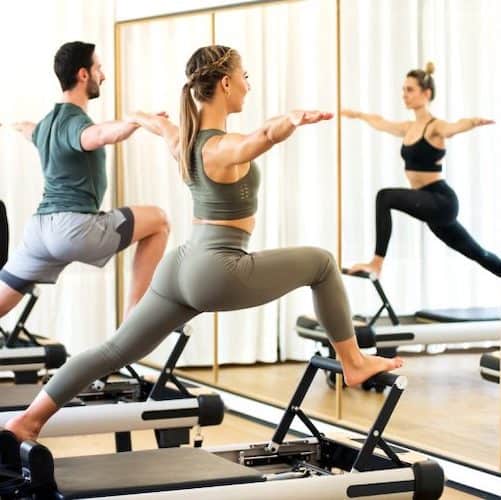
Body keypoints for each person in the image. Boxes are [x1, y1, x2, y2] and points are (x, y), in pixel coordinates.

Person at [5, 45, 402, 441]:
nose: (248, 84)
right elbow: (261, 136)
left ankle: (28, 421)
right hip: (217, 268)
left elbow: (157, 125)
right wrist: (290, 121)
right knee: (322, 263)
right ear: (226, 83)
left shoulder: (184, 140)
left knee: (114, 350)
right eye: (245, 76)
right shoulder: (220, 147)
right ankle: (352, 362)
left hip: (179, 266)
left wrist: (142, 118)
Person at [0, 41, 169, 322]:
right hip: (73, 230)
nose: (103, 75)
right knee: (159, 220)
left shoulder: (47, 123)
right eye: (98, 68)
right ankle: (133, 322)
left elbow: (29, 130)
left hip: (39, 232)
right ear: (83, 75)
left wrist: (15, 126)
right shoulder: (76, 124)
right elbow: (100, 135)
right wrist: (138, 121)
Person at [343, 62, 500, 278]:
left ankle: (376, 264)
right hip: (428, 204)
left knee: (385, 197)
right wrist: (357, 114)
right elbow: (381, 122)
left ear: (426, 94)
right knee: (478, 254)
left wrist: (471, 122)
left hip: (440, 200)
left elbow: (453, 128)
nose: (404, 95)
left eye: (410, 90)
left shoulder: (434, 126)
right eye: (403, 89)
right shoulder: (408, 128)